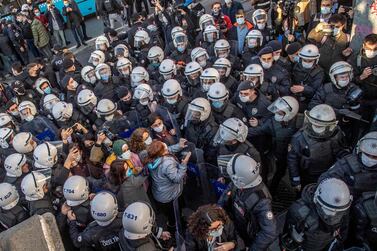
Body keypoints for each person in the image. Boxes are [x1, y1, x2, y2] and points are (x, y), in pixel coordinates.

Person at [219, 154, 278, 250]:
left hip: (248, 238)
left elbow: (269, 232)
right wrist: (218, 210)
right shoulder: (240, 182)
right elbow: (227, 193)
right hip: (236, 226)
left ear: (240, 181)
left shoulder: (261, 201)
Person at [288, 104, 349, 191]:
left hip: (328, 172)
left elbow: (340, 152)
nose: (315, 128)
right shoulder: (299, 137)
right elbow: (292, 160)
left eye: (320, 126)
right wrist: (295, 180)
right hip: (306, 174)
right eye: (314, 124)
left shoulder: (337, 134)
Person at [248, 96, 301, 196]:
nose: (276, 114)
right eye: (276, 111)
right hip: (279, 154)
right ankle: (271, 192)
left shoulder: (300, 123)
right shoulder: (273, 122)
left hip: (294, 156)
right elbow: (258, 130)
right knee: (277, 173)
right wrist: (243, 133)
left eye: (280, 113)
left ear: (290, 114)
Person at [282, 178, 352, 251]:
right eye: (329, 211)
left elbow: (344, 227)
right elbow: (287, 232)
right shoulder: (299, 211)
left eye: (337, 212)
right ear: (316, 200)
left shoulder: (343, 208)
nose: (333, 216)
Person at [145, 140, 191, 234]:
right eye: (164, 147)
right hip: (170, 196)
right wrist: (183, 164)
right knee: (172, 217)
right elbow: (177, 178)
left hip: (160, 194)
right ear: (162, 152)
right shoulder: (167, 163)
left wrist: (179, 145)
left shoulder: (151, 158)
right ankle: (174, 232)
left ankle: (178, 220)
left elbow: (168, 150)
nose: (167, 148)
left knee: (172, 213)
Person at [319, 131, 377, 200]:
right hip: (344, 200)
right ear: (360, 150)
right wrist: (340, 186)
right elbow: (324, 179)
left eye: (375, 157)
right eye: (367, 154)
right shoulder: (347, 163)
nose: (370, 158)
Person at [347, 33, 377, 122]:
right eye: (369, 49)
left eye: (375, 49)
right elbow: (348, 80)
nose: (372, 51)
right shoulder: (355, 58)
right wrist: (361, 77)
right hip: (361, 98)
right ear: (363, 46)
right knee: (357, 121)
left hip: (375, 98)